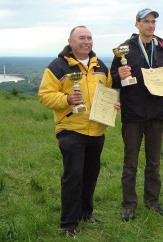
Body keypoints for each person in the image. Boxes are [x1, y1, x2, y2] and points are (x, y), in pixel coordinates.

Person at [38, 26, 120, 238]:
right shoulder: (56, 66)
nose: (87, 41)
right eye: (82, 38)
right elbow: (45, 95)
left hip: (97, 130)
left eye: (90, 38)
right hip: (72, 130)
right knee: (73, 178)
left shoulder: (100, 65)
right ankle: (68, 224)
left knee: (91, 176)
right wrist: (66, 99)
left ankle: (86, 214)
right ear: (71, 41)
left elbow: (108, 90)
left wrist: (113, 103)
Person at [110, 8, 163, 221]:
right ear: (137, 24)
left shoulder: (162, 51)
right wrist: (119, 76)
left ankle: (153, 201)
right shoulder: (123, 50)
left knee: (154, 162)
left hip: (156, 114)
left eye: (153, 22)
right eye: (146, 21)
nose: (151, 25)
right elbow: (113, 80)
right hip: (133, 115)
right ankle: (129, 205)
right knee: (130, 163)